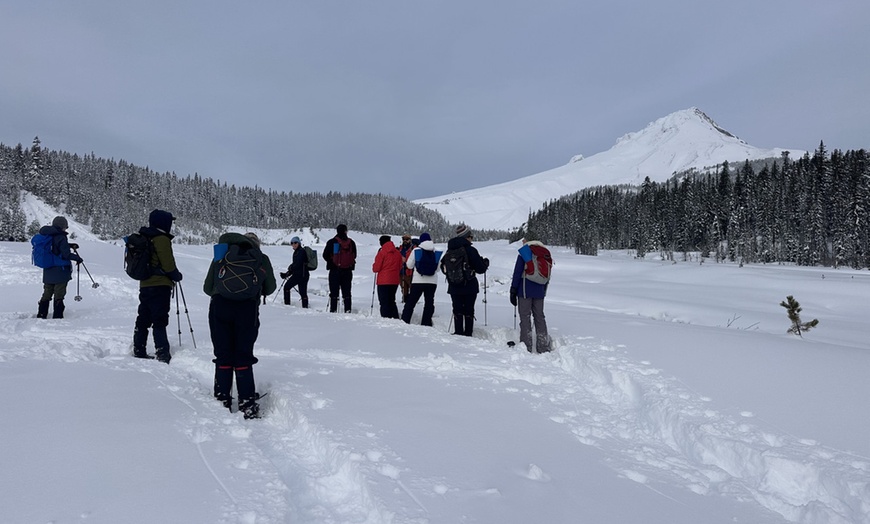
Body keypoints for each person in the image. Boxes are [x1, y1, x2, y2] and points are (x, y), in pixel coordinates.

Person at [203, 232, 276, 419]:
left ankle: (222, 400)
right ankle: (247, 402)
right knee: (243, 354)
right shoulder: (260, 258)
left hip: (219, 307)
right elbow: (270, 288)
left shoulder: (223, 254)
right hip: (247, 310)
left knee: (223, 354)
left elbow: (207, 287)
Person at [132, 209, 183, 363]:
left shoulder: (146, 236)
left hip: (145, 283)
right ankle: (162, 353)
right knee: (159, 318)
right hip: (160, 285)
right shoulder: (161, 238)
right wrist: (176, 275)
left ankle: (139, 348)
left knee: (144, 316)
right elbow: (168, 264)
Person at [444, 224, 489, 336]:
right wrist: (485, 263)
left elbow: (443, 267)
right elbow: (480, 269)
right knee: (469, 310)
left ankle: (458, 332)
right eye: (471, 236)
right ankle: (468, 333)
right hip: (469, 286)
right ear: (467, 237)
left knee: (457, 309)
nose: (471, 239)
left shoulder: (450, 250)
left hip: (454, 286)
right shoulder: (470, 250)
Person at [34, 216, 83, 319]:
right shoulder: (61, 236)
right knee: (59, 294)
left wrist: (69, 245)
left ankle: (42, 314)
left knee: (47, 292)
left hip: (48, 269)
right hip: (60, 270)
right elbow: (65, 254)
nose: (65, 229)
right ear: (61, 226)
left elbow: (55, 247)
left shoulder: (48, 234)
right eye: (65, 227)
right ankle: (57, 317)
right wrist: (77, 258)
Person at [510, 240, 552, 353]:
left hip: (525, 290)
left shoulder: (525, 253)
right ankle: (543, 346)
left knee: (525, 317)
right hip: (539, 291)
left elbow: (518, 272)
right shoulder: (545, 254)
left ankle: (526, 346)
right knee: (539, 317)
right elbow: (547, 276)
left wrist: (513, 289)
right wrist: (543, 291)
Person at [401, 232, 440, 326]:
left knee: (411, 302)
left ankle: (405, 320)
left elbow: (409, 266)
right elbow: (438, 269)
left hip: (418, 281)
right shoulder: (436, 251)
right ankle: (426, 323)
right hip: (432, 282)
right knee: (429, 302)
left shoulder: (416, 251)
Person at [322, 224, 357, 313]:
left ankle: (333, 310)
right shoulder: (351, 243)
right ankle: (348, 310)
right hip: (347, 270)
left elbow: (325, 255)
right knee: (347, 293)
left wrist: (332, 262)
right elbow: (354, 255)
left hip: (334, 270)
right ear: (346, 231)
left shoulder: (332, 242)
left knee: (334, 293)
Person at [372, 235, 402, 318]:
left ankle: (386, 319)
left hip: (383, 280)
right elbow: (400, 266)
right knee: (392, 300)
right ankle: (395, 318)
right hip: (394, 280)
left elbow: (376, 268)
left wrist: (374, 266)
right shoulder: (397, 252)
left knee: (384, 302)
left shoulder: (382, 252)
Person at [279, 236, 310, 308]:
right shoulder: (298, 252)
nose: (294, 244)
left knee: (286, 287)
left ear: (299, 243)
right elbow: (296, 266)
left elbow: (297, 264)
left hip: (299, 276)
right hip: (304, 275)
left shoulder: (301, 251)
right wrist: (287, 273)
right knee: (303, 293)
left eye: (295, 242)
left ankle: (287, 306)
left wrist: (290, 269)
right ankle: (305, 308)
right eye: (292, 243)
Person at [398, 234, 414, 303]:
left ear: (410, 240)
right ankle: (405, 299)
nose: (405, 240)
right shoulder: (400, 248)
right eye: (403, 239)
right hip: (401, 271)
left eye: (407, 239)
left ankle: (411, 301)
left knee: (412, 287)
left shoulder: (412, 248)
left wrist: (405, 260)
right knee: (403, 288)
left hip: (409, 272)